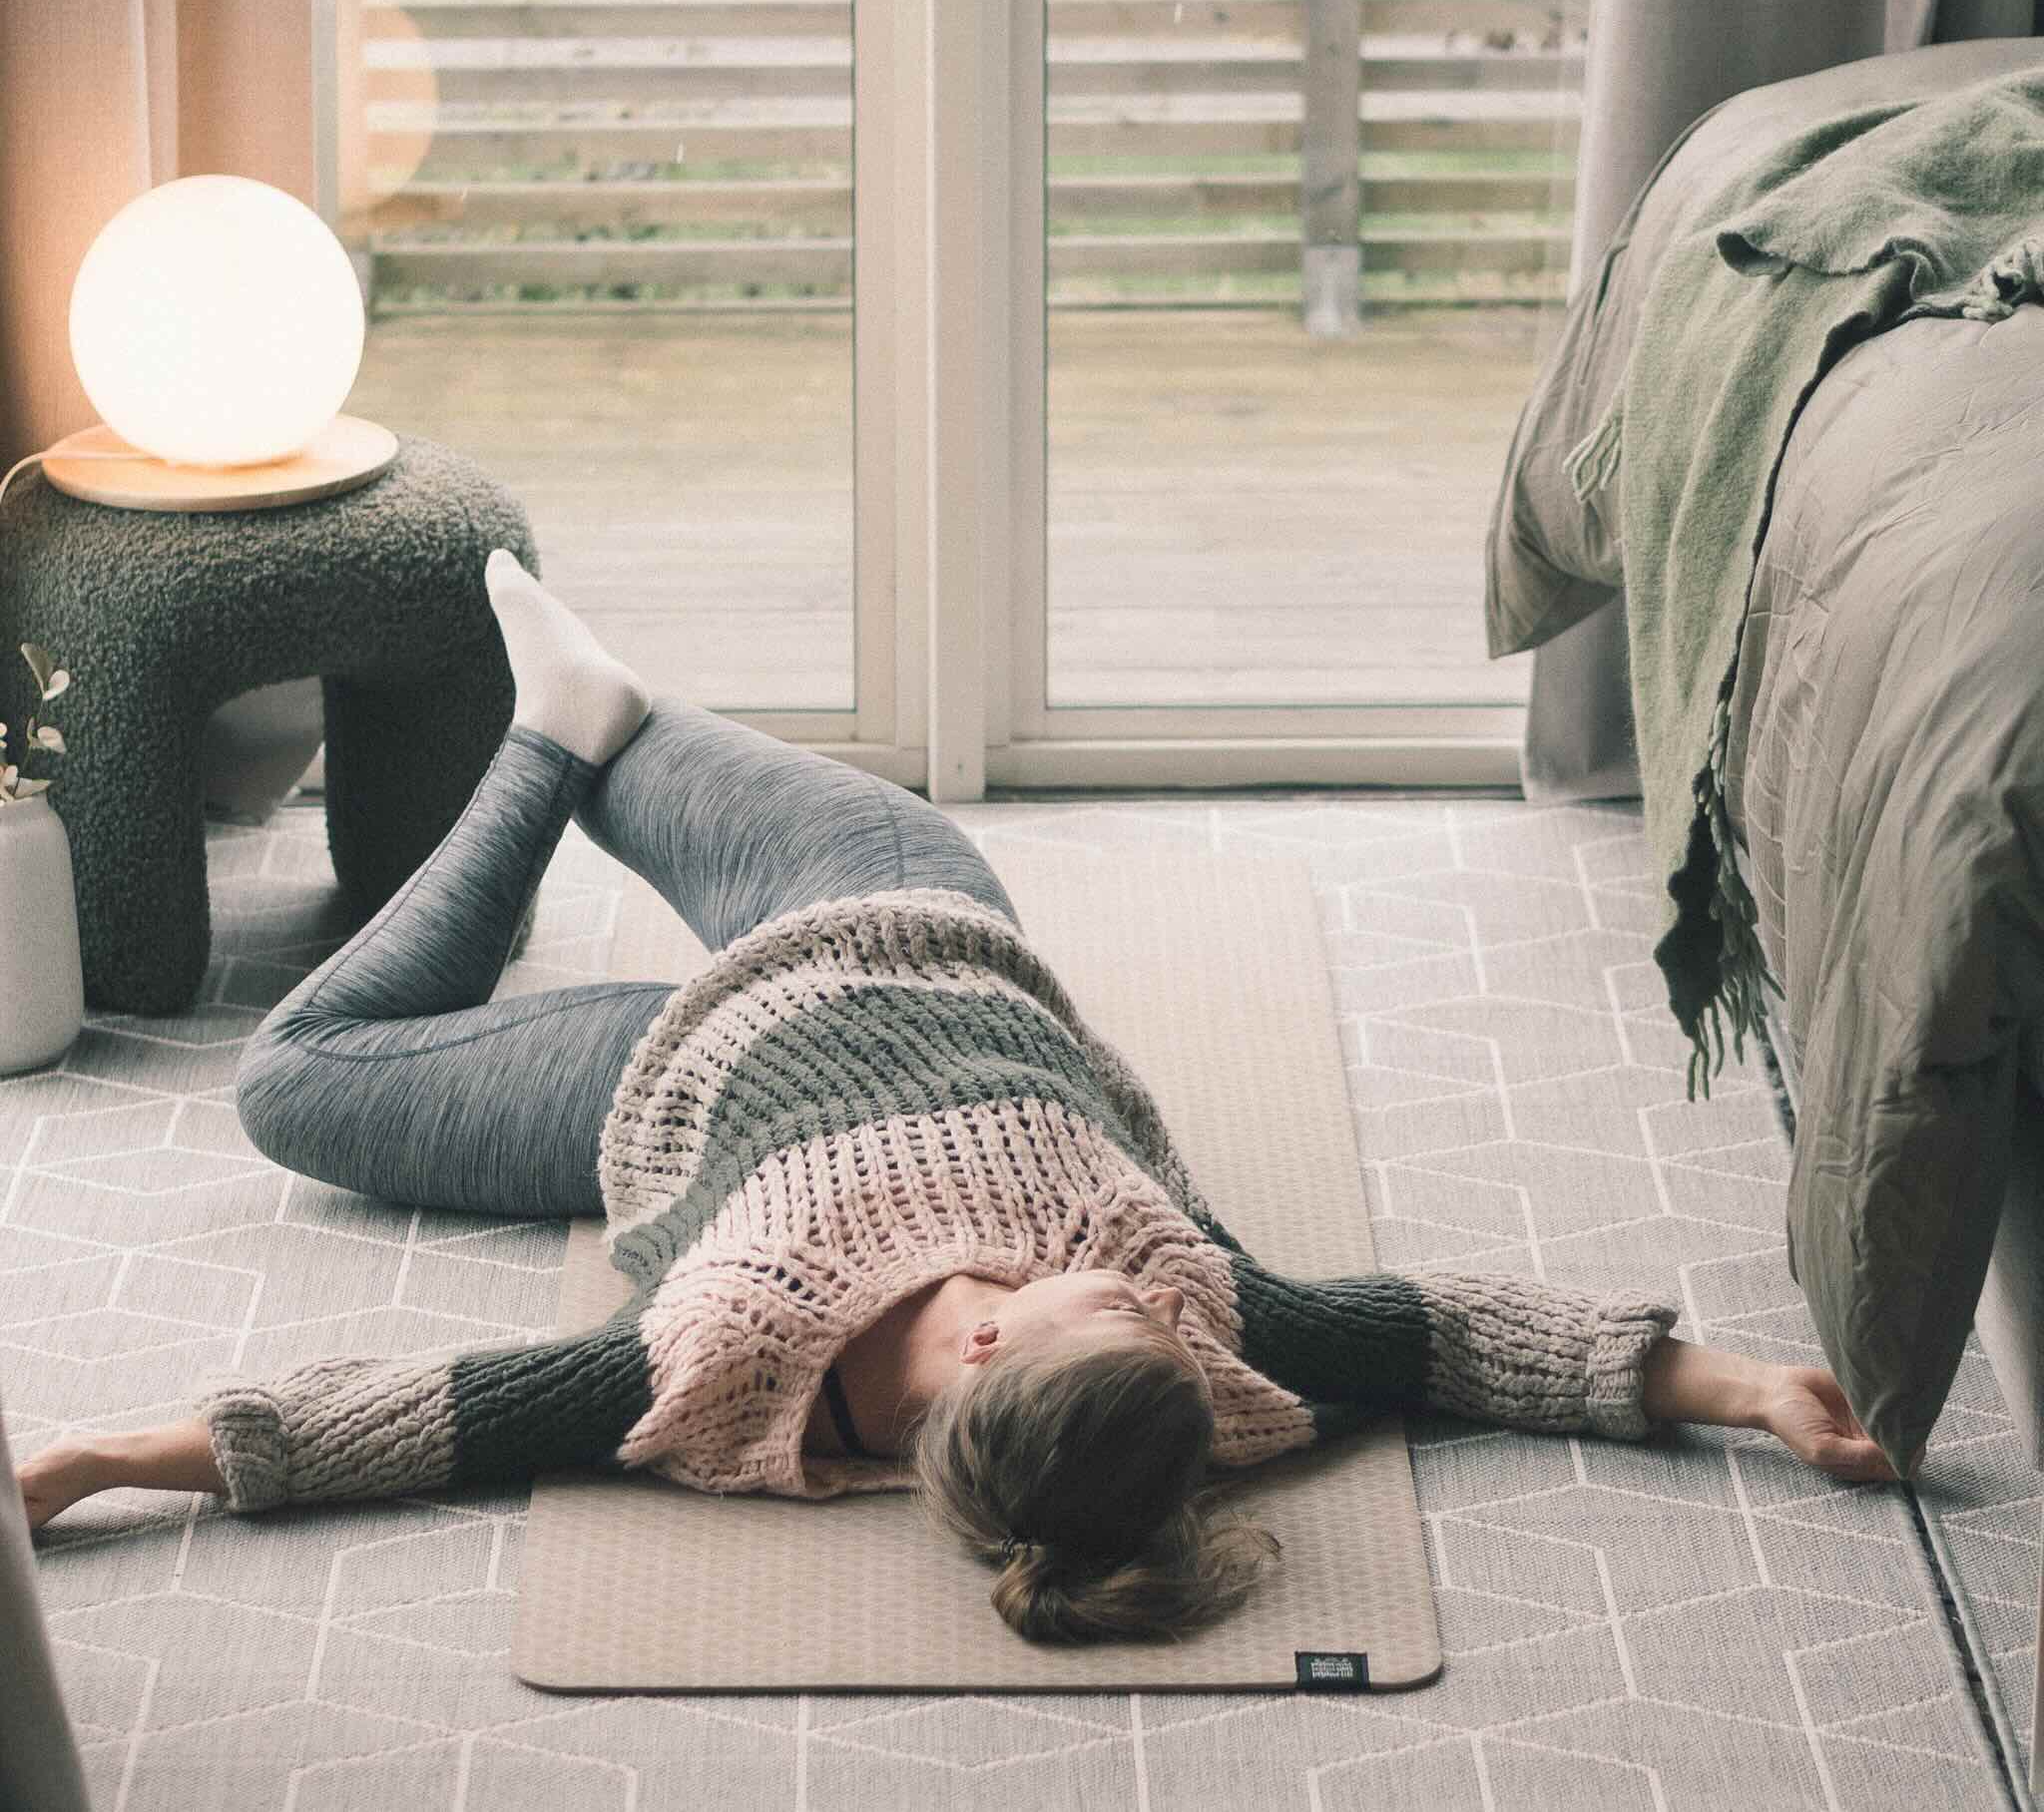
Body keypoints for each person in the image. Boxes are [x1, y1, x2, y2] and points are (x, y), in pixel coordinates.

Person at [17, 554, 1908, 1645]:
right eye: (1170, 1316)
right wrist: (1735, 1383)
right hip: (879, 896)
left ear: (994, 1339)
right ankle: (583, 725)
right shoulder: (1203, 1356)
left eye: (1134, 1309)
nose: (1175, 1296)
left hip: (667, 1088)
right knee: (617, 781)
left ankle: (542, 734)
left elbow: (408, 1418)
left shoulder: (717, 1367)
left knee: (293, 1085)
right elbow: (1459, 1337)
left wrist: (96, 1458)